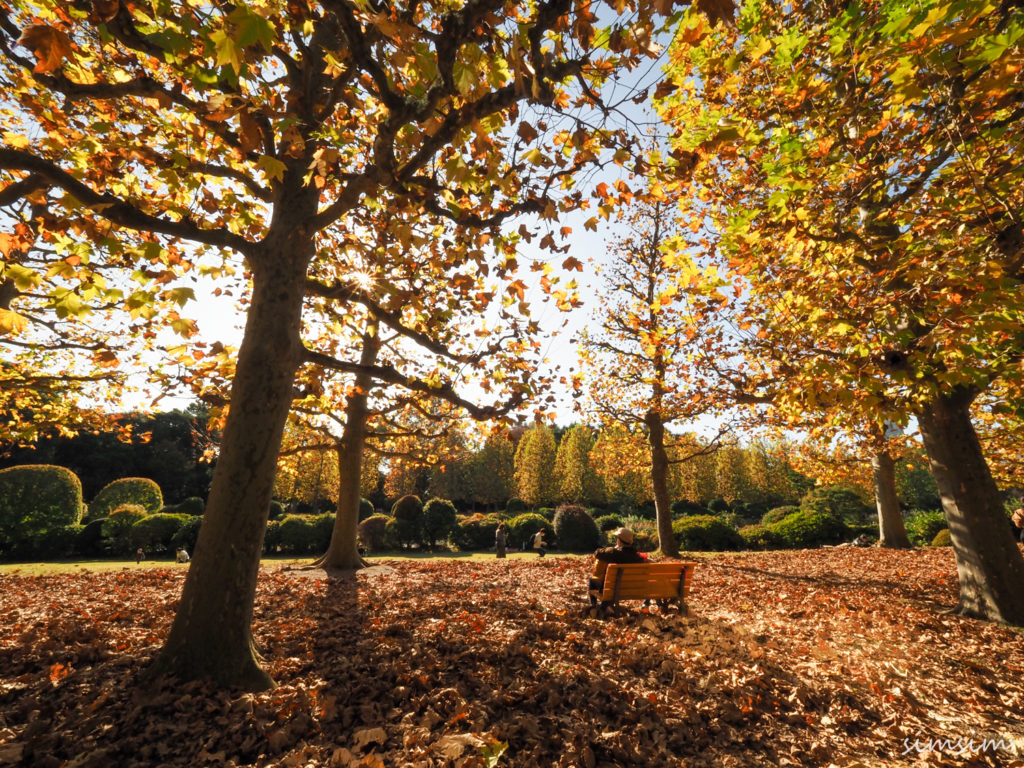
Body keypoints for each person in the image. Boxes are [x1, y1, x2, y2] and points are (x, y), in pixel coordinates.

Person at [588, 527, 645, 607]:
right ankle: (606, 606)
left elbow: (597, 553)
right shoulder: (638, 558)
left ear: (619, 540)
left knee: (592, 581)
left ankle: (594, 606)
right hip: (634, 589)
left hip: (612, 589)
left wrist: (614, 548)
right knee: (610, 586)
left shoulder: (614, 553)